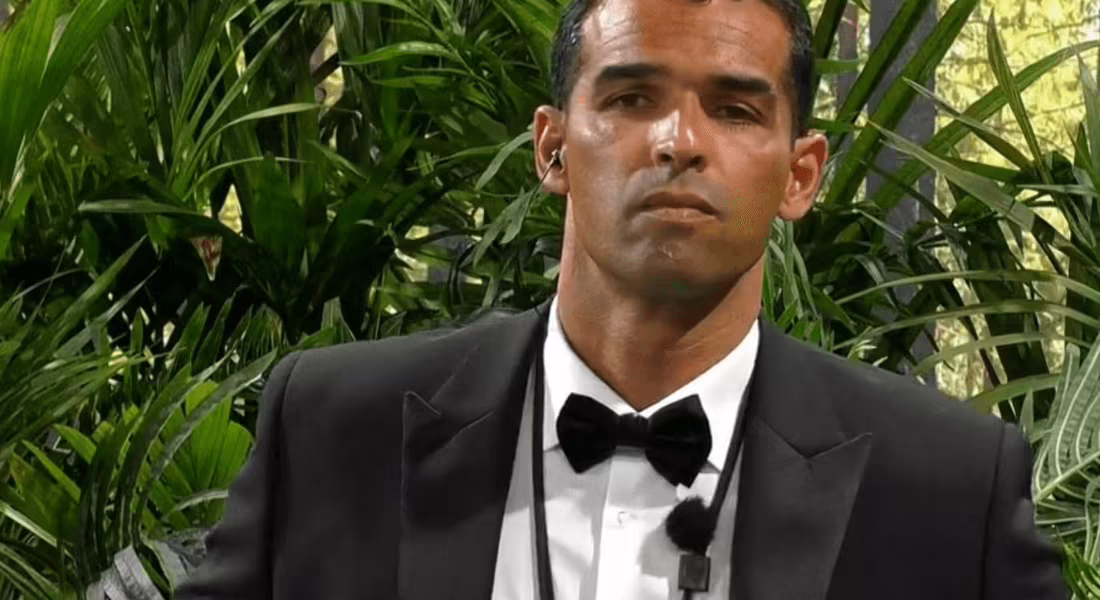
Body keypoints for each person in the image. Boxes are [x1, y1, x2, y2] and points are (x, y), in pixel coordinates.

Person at [174, 0, 1069, 597]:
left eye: (735, 110)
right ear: (552, 149)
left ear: (801, 175)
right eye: (634, 97)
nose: (679, 140)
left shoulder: (945, 487)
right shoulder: (334, 430)